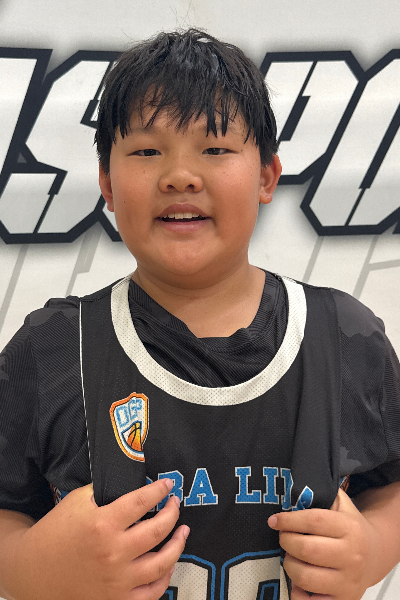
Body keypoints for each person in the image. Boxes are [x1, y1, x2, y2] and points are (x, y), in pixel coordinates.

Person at [0, 28, 400, 600]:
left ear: (266, 176)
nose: (180, 176)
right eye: (147, 151)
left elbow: (390, 486)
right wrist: (37, 567)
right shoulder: (54, 347)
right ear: (107, 184)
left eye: (214, 149)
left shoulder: (344, 336)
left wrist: (374, 547)